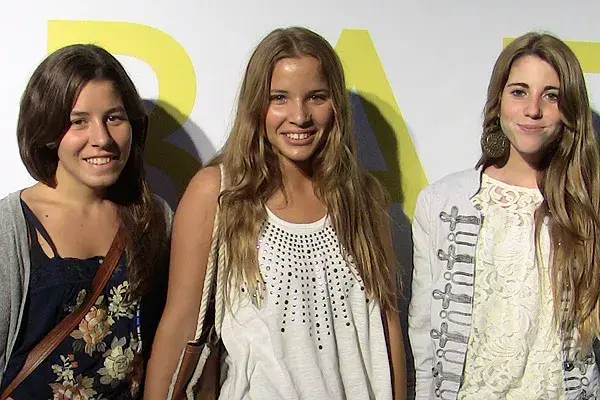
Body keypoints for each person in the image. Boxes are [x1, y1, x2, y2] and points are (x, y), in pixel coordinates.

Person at [145, 26, 407, 399]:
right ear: (257, 105)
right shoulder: (218, 193)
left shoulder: (364, 198)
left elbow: (387, 325)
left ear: (335, 104)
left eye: (316, 96)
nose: (299, 116)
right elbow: (178, 327)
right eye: (279, 98)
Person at [409, 31, 600, 399]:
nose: (533, 109)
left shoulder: (587, 205)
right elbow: (423, 328)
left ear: (570, 109)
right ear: (498, 101)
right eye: (519, 91)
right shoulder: (444, 201)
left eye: (551, 96)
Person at [0, 44, 172, 399]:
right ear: (46, 130)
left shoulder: (155, 218)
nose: (102, 139)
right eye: (78, 121)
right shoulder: (9, 228)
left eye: (114, 117)